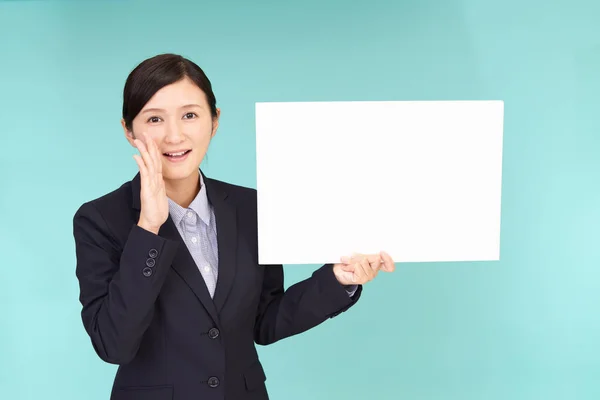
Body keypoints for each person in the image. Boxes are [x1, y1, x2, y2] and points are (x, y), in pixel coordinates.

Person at [73, 53, 395, 400]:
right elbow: (113, 345)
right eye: (154, 119)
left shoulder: (251, 207)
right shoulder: (100, 220)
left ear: (214, 121)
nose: (174, 135)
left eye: (190, 115)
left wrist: (339, 280)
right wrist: (148, 227)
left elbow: (266, 320)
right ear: (128, 130)